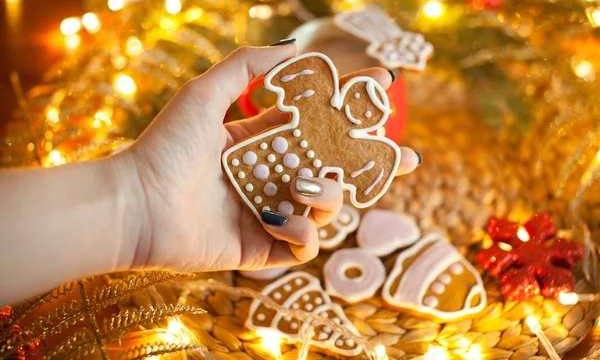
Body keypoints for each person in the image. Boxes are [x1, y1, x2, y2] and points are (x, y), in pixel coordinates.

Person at [0, 40, 421, 306]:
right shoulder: (317, 87)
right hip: (257, 156)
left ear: (375, 118)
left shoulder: (365, 147)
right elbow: (294, 79)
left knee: (296, 199)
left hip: (282, 186)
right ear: (347, 93)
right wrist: (138, 196)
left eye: (368, 109)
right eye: (357, 99)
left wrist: (136, 217)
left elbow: (371, 172)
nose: (357, 108)